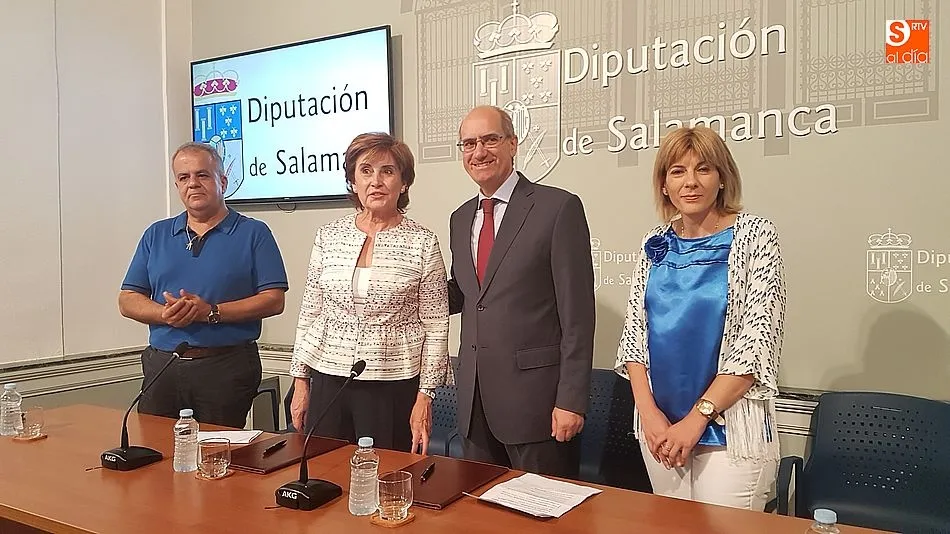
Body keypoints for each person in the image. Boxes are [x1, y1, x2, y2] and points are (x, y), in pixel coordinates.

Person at [614, 125, 786, 511]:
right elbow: (633, 336)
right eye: (677, 171)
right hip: (659, 428)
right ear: (664, 184)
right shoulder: (654, 243)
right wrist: (649, 413)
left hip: (729, 432)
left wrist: (697, 420)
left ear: (722, 177)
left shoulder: (756, 235)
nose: (690, 182)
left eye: (703, 169)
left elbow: (756, 344)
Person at [447, 106, 595, 477]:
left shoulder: (558, 207)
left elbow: (578, 314)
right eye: (469, 143)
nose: (479, 151)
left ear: (512, 144)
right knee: (479, 514)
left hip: (538, 408)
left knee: (544, 517)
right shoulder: (460, 218)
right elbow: (467, 296)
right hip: (475, 404)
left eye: (490, 140)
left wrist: (571, 401)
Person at [289, 132, 450, 454]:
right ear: (353, 180)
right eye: (366, 170)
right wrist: (300, 382)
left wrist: (426, 395)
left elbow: (436, 325)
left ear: (403, 183)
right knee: (324, 472)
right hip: (328, 378)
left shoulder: (423, 241)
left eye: (388, 171)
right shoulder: (328, 236)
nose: (376, 181)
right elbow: (310, 313)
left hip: (392, 383)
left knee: (384, 476)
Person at [119, 142, 288, 428]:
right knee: (155, 456)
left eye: (203, 175)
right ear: (177, 185)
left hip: (225, 367)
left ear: (222, 181)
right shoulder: (156, 234)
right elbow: (127, 299)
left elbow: (274, 299)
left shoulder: (253, 233)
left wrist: (211, 312)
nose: (193, 184)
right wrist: (165, 314)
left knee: (218, 457)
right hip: (164, 365)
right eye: (184, 178)